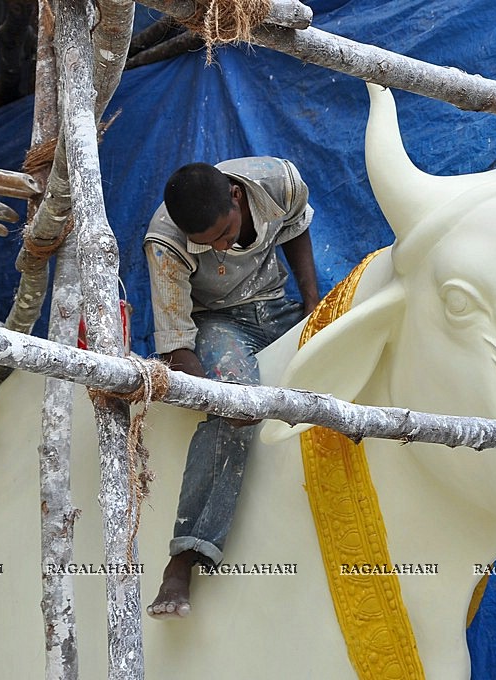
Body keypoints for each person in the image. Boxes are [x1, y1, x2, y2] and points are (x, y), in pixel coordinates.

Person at [143, 158, 319, 618]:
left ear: (237, 198)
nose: (221, 248)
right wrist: (218, 398)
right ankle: (184, 557)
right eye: (209, 245)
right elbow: (177, 346)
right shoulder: (165, 242)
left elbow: (296, 227)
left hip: (277, 307)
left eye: (225, 233)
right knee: (235, 403)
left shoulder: (277, 180)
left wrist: (313, 306)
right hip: (219, 324)